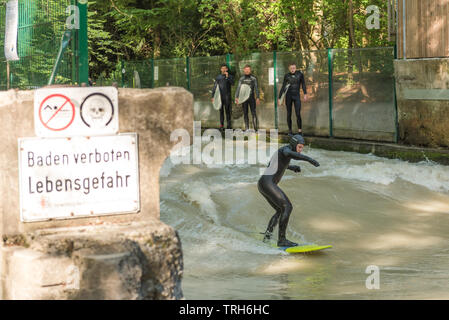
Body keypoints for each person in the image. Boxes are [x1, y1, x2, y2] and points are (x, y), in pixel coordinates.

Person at [258, 134, 320, 247]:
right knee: (287, 206)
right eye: (300, 147)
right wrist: (309, 159)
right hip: (268, 183)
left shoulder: (282, 152)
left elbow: (276, 164)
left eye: (302, 148)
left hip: (263, 184)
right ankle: (282, 240)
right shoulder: (286, 150)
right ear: (294, 144)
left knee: (280, 210)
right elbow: (290, 154)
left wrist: (291, 167)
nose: (300, 150)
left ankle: (267, 236)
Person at [279, 63, 308, 135]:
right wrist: (280, 98)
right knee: (289, 114)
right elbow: (283, 87)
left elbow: (303, 84)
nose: (292, 69)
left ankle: (300, 131)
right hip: (288, 96)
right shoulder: (287, 76)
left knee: (298, 113)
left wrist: (305, 93)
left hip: (296, 96)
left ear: (296, 68)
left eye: (294, 68)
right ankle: (290, 131)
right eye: (291, 68)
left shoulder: (300, 74)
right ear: (289, 68)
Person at [235, 65, 260, 132]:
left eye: (248, 69)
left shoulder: (253, 78)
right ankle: (247, 128)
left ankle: (255, 129)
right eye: (246, 69)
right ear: (244, 70)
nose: (247, 70)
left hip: (251, 97)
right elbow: (238, 88)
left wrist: (257, 97)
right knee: (245, 113)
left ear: (250, 70)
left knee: (253, 113)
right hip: (244, 98)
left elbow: (256, 88)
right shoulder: (241, 78)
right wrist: (236, 97)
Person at [211, 64, 235, 130]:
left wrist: (227, 77)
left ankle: (229, 126)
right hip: (219, 98)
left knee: (228, 112)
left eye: (225, 68)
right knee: (221, 112)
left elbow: (232, 83)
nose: (224, 69)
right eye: (222, 68)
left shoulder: (230, 76)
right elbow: (215, 86)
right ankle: (221, 126)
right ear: (221, 69)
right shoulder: (218, 77)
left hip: (227, 97)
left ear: (227, 69)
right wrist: (213, 96)